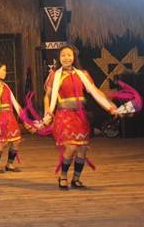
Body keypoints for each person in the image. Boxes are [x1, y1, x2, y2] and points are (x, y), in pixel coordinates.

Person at [43, 45, 118, 190]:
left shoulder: (82, 74)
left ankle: (76, 179)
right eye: (63, 55)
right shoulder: (54, 75)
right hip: (64, 115)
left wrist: (111, 105)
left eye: (69, 55)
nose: (66, 58)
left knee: (82, 148)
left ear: (74, 57)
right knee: (71, 146)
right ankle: (63, 176)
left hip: (80, 116)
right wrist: (47, 110)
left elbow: (95, 92)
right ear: (59, 58)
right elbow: (47, 96)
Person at [0, 62, 23, 173]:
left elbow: (14, 102)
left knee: (16, 141)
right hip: (1, 116)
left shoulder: (5, 85)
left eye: (5, 70)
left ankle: (10, 164)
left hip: (10, 116)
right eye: (3, 70)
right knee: (3, 142)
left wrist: (23, 116)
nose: (5, 72)